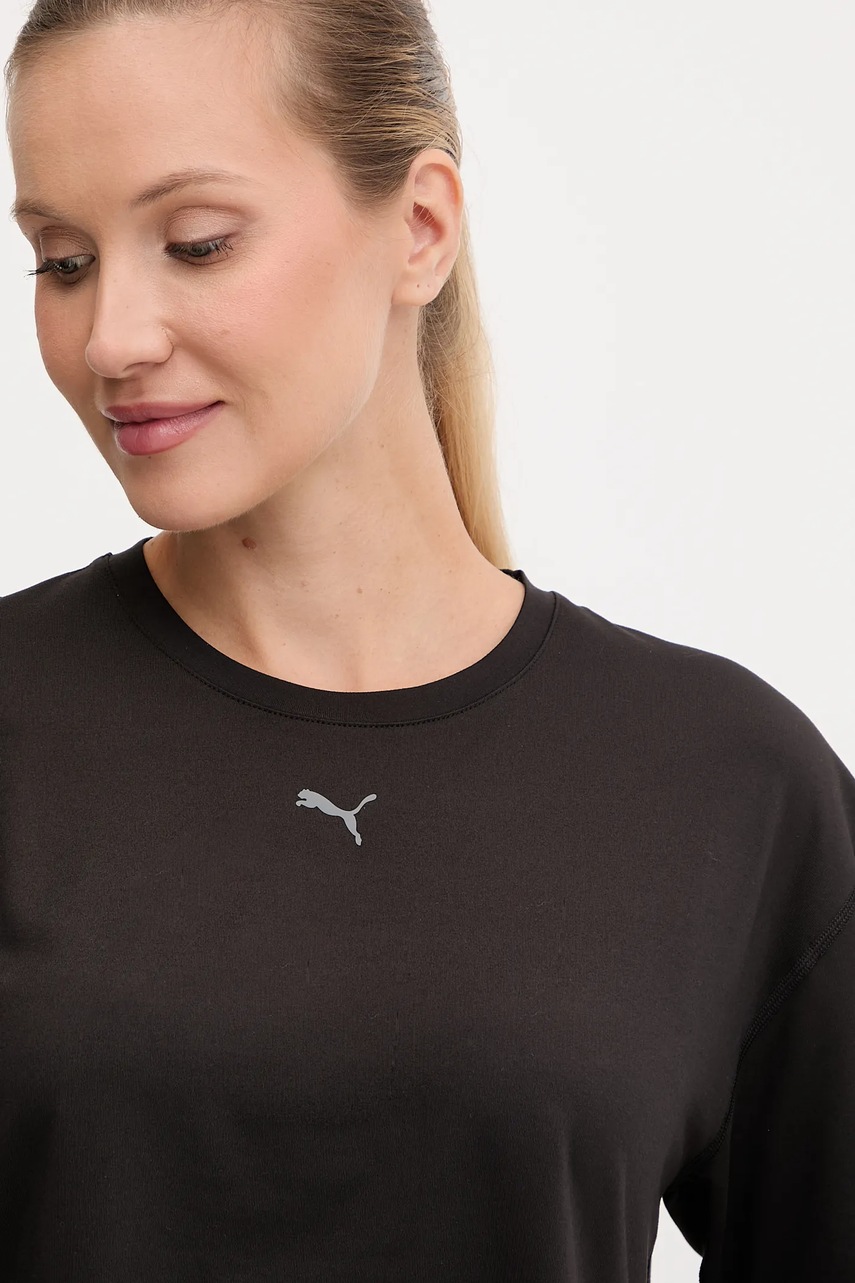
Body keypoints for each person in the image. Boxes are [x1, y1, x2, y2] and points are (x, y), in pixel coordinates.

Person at [1, 4, 853, 1281]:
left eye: (197, 241)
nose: (109, 336)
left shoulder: (725, 780)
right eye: (61, 260)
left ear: (419, 227)